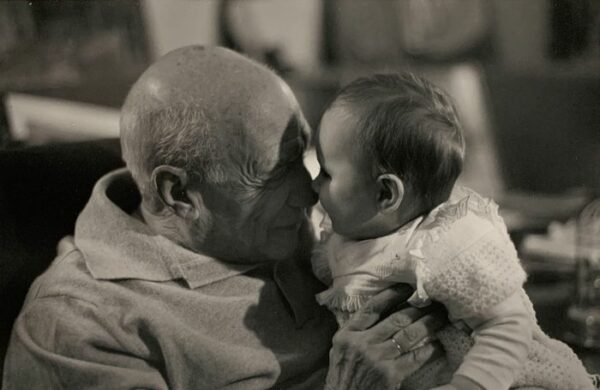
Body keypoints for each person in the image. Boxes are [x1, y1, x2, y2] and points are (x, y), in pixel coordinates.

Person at [2, 47, 446, 389]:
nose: (308, 190)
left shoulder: (270, 228)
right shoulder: (81, 325)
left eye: (302, 156)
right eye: (274, 172)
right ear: (179, 194)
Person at [310, 73, 594, 390]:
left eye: (326, 173)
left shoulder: (445, 243)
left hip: (504, 376)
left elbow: (507, 323)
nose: (313, 184)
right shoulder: (347, 234)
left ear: (385, 194)